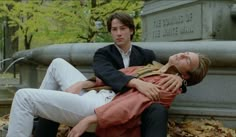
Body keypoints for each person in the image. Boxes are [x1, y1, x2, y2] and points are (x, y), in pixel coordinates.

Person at [12, 12, 183, 137]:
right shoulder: (103, 53)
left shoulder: (146, 55)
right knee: (57, 63)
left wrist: (179, 79)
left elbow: (164, 71)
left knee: (26, 96)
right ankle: (37, 114)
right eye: (114, 29)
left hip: (113, 103)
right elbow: (104, 73)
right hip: (98, 92)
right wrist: (135, 83)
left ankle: (37, 112)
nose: (118, 33)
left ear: (131, 30)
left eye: (122, 28)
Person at [67, 52, 211, 137]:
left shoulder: (170, 83)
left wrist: (90, 119)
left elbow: (131, 103)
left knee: (44, 100)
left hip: (108, 113)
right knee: (57, 64)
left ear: (185, 75)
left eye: (187, 59)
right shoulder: (149, 67)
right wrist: (84, 84)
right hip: (98, 96)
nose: (182, 54)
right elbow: (116, 76)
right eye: (186, 52)